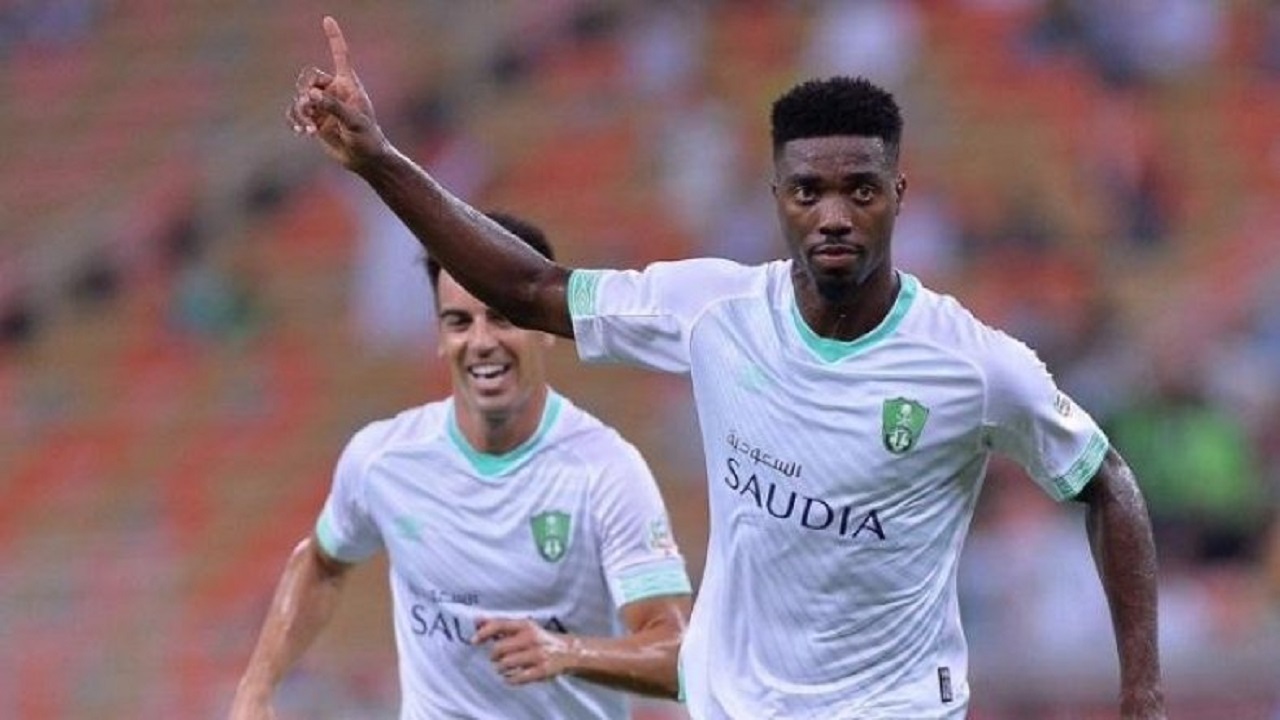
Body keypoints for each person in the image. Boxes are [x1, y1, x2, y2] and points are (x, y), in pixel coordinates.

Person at [287, 16, 1165, 719]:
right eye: (808, 190)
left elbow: (1107, 485)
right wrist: (379, 161)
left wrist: (1143, 696)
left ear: (897, 195)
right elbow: (528, 287)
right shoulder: (714, 309)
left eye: (859, 189)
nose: (833, 215)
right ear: (777, 197)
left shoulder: (971, 365)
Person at [229, 210, 694, 719]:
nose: (482, 341)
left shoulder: (605, 471)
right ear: (440, 337)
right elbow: (321, 563)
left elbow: (678, 656)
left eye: (503, 317)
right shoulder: (383, 459)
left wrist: (567, 651)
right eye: (459, 322)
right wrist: (257, 689)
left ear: (546, 327)